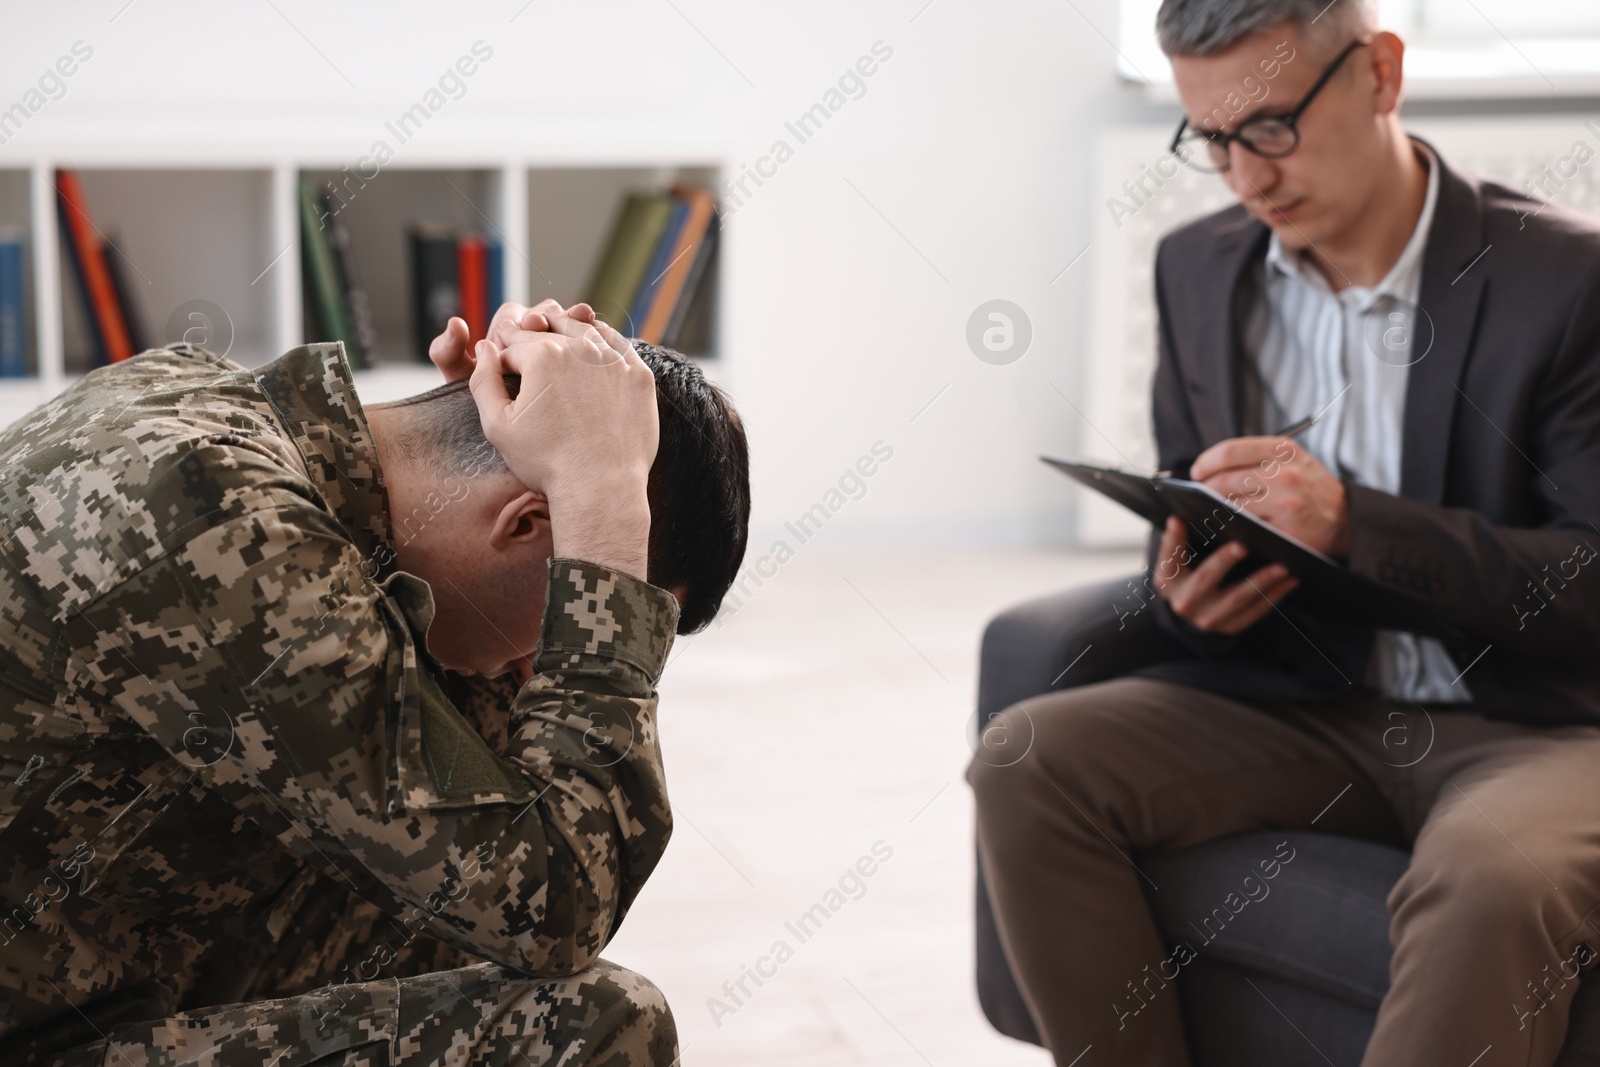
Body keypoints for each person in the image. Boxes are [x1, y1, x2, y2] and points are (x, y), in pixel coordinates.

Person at [970, 1, 1600, 1064]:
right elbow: (1191, 500)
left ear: (1380, 73)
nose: (1244, 177)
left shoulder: (1565, 282)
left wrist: (1354, 523)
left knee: (1490, 874)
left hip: (1541, 725)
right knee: (1026, 757)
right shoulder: (1197, 270)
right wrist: (1188, 597)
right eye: (1210, 138)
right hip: (1314, 704)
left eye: (1269, 126)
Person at [0, 299, 750, 1066]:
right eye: (580, 588)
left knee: (449, 907)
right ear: (528, 523)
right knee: (595, 1025)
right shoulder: (221, 525)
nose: (534, 667)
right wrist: (602, 508)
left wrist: (517, 481)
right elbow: (561, 901)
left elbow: (472, 822)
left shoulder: (213, 418)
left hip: (83, 960)